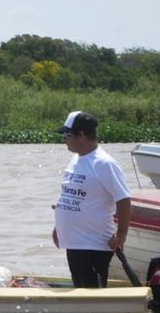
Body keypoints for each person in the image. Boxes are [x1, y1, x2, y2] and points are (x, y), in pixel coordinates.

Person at [51, 110, 132, 288]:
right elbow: (70, 194)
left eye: (67, 135)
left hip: (94, 245)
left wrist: (121, 235)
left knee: (94, 296)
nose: (64, 139)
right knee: (81, 294)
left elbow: (124, 199)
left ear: (81, 135)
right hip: (74, 244)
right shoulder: (75, 159)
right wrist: (59, 227)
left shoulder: (104, 163)